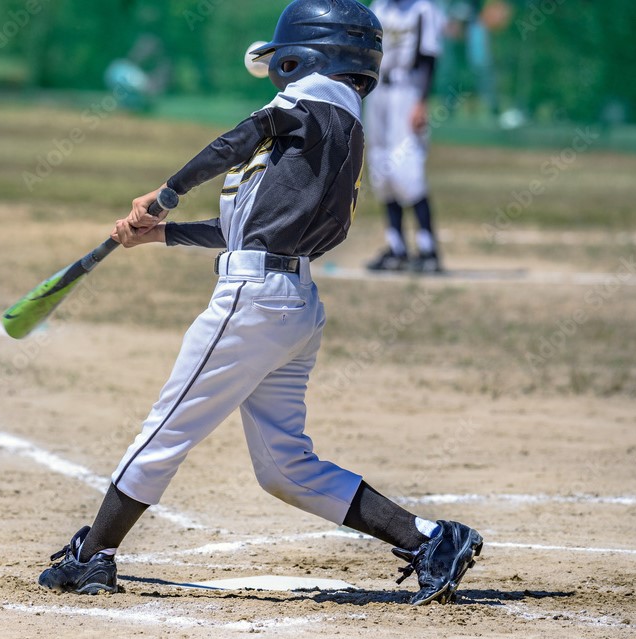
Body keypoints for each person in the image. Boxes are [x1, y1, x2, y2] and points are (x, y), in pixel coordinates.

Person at [37, 0, 483, 606]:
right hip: (288, 303)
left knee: (164, 430)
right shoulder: (330, 126)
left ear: (309, 53)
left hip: (254, 301)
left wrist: (166, 195)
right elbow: (248, 230)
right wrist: (161, 233)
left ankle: (94, 554)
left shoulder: (316, 98)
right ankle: (430, 539)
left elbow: (236, 139)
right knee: (285, 468)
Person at [365, 0, 447, 273]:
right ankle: (396, 248)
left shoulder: (423, 10)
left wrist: (421, 102)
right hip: (377, 91)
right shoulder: (379, 7)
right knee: (380, 166)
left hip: (407, 90)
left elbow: (429, 57)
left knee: (407, 167)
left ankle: (428, 250)